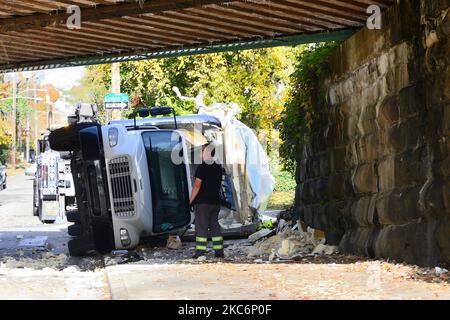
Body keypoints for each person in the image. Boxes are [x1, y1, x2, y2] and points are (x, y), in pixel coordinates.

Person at [189, 143, 224, 259]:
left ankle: (200, 252)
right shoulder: (218, 168)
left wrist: (190, 201)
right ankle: (219, 251)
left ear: (208, 152)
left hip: (203, 203)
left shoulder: (202, 167)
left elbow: (197, 186)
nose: (200, 153)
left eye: (202, 151)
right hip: (215, 202)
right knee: (215, 226)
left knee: (201, 227)